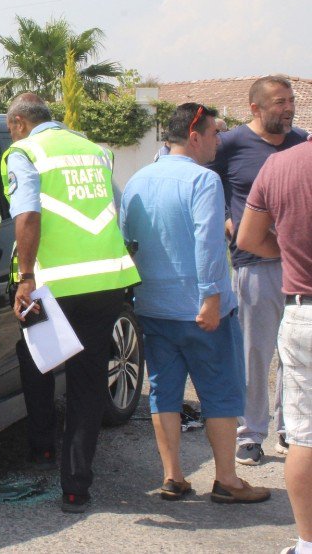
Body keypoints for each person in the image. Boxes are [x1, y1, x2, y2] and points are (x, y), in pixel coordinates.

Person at [121, 103, 271, 505]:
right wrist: (210, 296)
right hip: (201, 308)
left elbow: (127, 241)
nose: (218, 142)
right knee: (220, 392)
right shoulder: (203, 181)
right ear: (194, 135)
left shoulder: (137, 180)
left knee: (164, 392)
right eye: (214, 134)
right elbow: (208, 241)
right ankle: (227, 480)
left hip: (152, 304)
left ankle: (173, 476)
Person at [1, 93, 140, 513]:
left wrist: (26, 278)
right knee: (86, 382)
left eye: (11, 128)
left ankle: (42, 447)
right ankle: (76, 488)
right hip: (104, 282)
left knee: (38, 359)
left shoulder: (23, 152)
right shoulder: (95, 150)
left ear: (20, 123)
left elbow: (26, 214)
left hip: (52, 285)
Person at [209, 75, 309, 465]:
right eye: (279, 103)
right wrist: (225, 218)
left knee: (295, 352)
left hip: (299, 264)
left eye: (290, 101)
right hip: (255, 263)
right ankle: (250, 433)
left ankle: (291, 428)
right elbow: (208, 182)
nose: (287, 109)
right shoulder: (231, 144)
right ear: (255, 108)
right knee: (256, 351)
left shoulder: (300, 142)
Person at [237, 138, 312, 554]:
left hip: (302, 309)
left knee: (304, 436)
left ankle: (307, 542)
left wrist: (291, 255)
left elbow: (248, 237)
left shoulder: (280, 166)